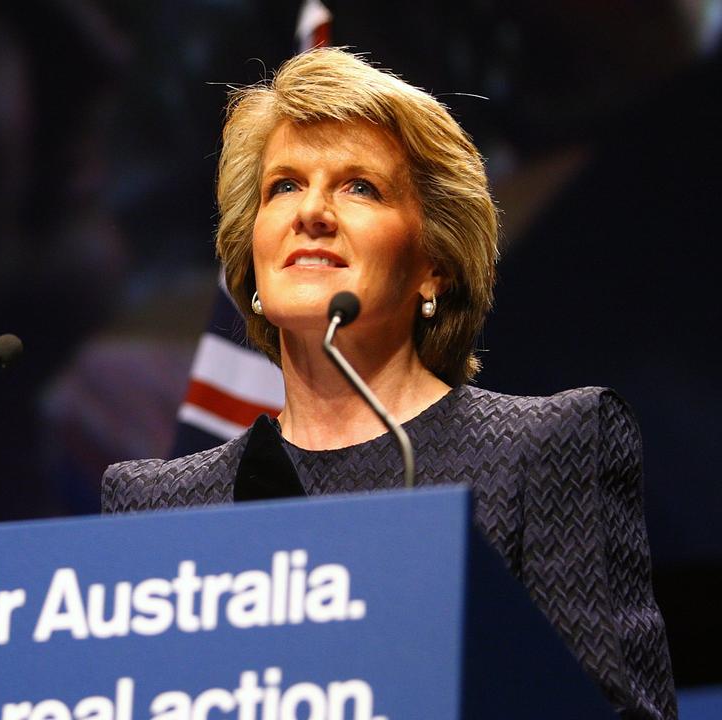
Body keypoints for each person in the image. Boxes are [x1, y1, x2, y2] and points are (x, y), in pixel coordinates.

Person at [100, 47, 675, 720]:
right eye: (283, 185)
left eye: (359, 187)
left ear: (432, 268)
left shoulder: (543, 448)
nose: (311, 211)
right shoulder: (159, 506)